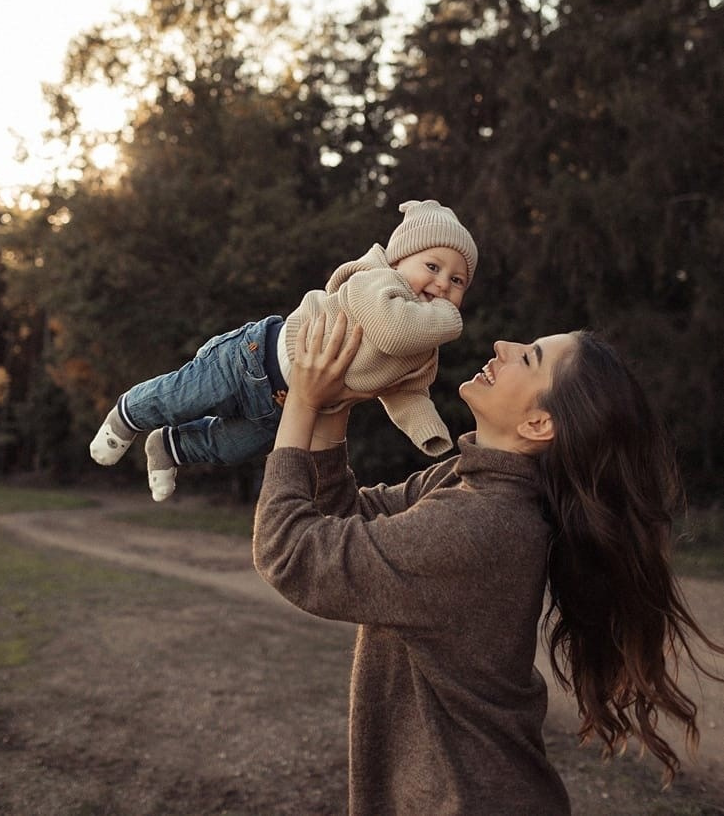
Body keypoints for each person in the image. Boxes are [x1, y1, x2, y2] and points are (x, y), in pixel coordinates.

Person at [252, 312, 724, 816]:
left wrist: (301, 402)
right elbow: (343, 516)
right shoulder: (470, 482)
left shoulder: (480, 524)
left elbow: (289, 549)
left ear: (538, 423)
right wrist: (333, 406)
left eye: (529, 356)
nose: (503, 343)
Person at [89, 199, 477, 500]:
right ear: (398, 260)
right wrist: (450, 321)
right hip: (252, 358)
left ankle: (170, 446)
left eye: (457, 280)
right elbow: (394, 331)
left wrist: (427, 431)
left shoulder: (423, 348)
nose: (443, 284)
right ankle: (128, 415)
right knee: (181, 397)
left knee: (232, 446)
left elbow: (406, 391)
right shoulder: (376, 283)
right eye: (432, 266)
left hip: (286, 404)